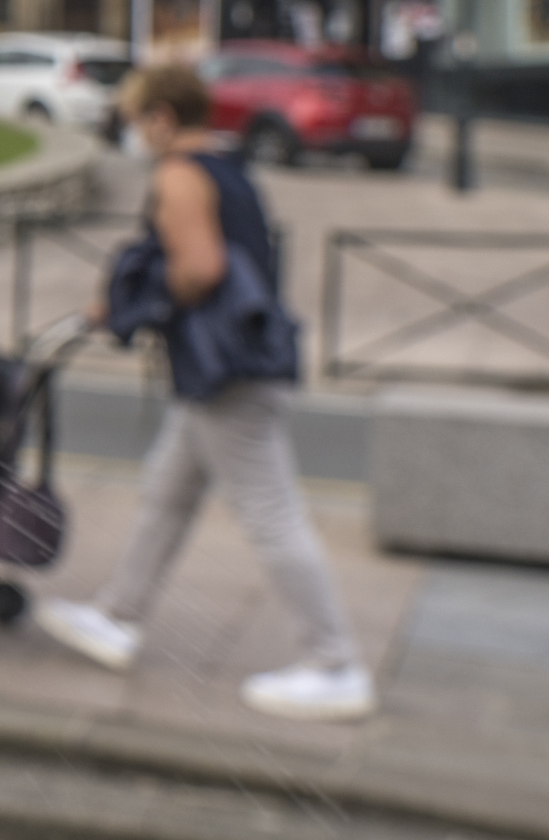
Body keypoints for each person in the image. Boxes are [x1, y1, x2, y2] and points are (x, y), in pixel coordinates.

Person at [39, 65, 376, 722]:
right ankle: (118, 615)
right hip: (233, 362)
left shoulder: (179, 175)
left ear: (163, 117)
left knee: (271, 515)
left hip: (226, 372)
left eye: (135, 118)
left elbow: (201, 268)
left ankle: (335, 662)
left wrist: (135, 303)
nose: (132, 133)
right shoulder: (227, 166)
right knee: (167, 493)